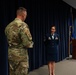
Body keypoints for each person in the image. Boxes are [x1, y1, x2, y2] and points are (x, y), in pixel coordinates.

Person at [5, 7, 34, 75]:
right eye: (25, 16)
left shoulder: (8, 26)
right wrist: (31, 43)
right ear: (23, 15)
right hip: (21, 57)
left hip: (11, 55)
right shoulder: (23, 25)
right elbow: (27, 43)